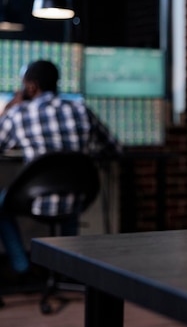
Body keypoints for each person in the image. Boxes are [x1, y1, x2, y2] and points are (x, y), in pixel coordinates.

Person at [0, 59, 122, 281]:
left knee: (1, 205)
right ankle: (67, 269)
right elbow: (114, 148)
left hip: (33, 199)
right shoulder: (81, 110)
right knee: (69, 199)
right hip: (79, 197)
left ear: (31, 87)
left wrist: (8, 109)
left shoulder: (18, 114)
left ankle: (20, 266)